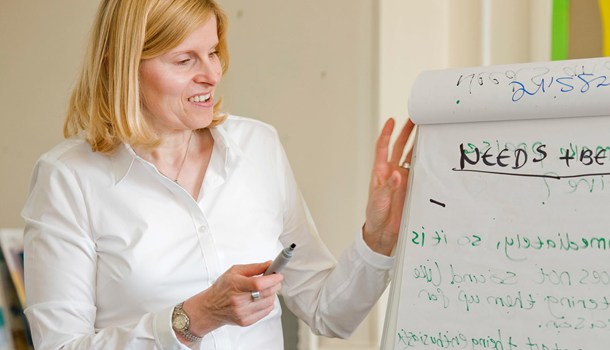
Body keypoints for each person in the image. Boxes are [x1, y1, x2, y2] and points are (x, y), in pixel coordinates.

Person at [21, 0, 416, 349]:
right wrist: (194, 318)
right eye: (184, 60)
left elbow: (328, 311)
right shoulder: (68, 178)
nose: (211, 74)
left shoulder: (258, 146)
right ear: (122, 68)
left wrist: (378, 238)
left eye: (213, 52)